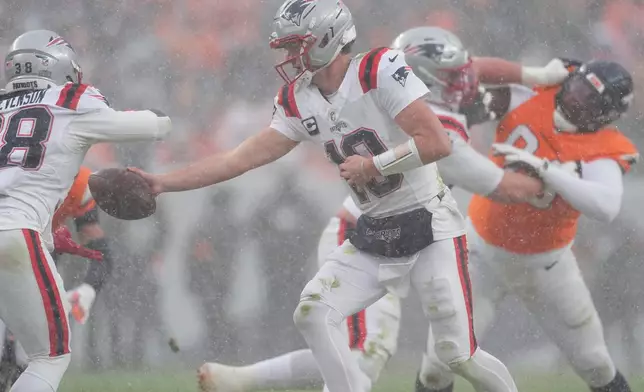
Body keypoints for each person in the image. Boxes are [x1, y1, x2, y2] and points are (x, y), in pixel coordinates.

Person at [131, 1, 569, 388]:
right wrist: (164, 182)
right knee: (313, 313)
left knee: (458, 355)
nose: (286, 55)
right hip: (376, 231)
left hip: (429, 225)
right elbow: (238, 159)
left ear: (324, 40)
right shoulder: (298, 99)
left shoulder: (377, 70)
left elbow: (436, 143)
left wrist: (374, 165)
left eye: (293, 45)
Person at [416, 60, 638, 392]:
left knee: (595, 363)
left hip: (547, 265)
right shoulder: (531, 94)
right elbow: (462, 72)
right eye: (577, 89)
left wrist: (547, 170)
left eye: (590, 101)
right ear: (569, 78)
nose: (576, 101)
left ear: (606, 115)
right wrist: (528, 72)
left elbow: (606, 206)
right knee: (439, 361)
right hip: (480, 252)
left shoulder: (605, 148)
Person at [0, 30, 171, 392]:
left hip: (18, 236)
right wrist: (158, 116)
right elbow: (153, 126)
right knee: (50, 357)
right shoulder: (71, 99)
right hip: (14, 231)